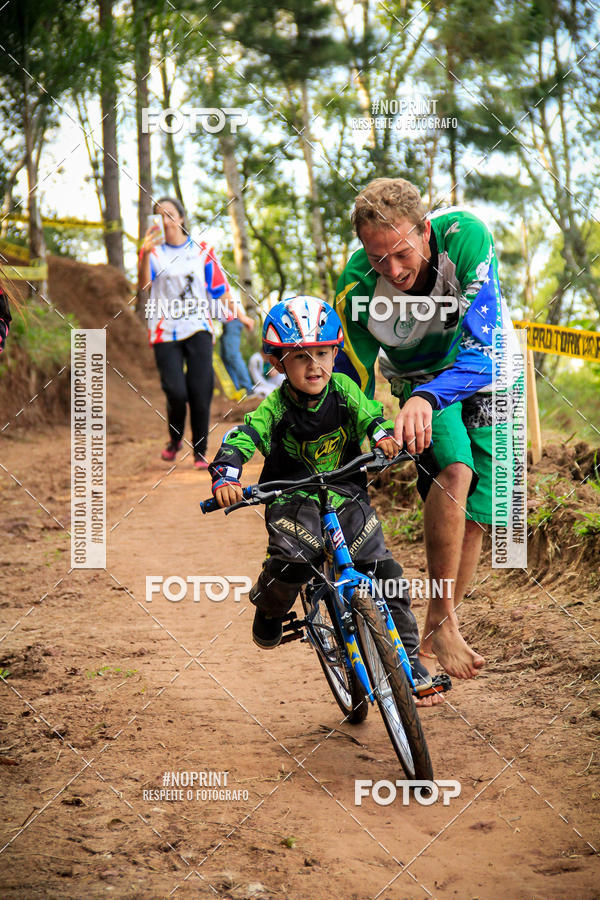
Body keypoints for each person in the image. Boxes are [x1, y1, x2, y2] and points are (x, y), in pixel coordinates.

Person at [335, 177, 519, 681]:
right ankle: (439, 629)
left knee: (481, 512)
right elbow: (350, 379)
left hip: (486, 365)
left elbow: (481, 351)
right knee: (455, 471)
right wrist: (358, 433)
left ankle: (439, 625)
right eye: (377, 258)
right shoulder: (356, 285)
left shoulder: (467, 238)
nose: (392, 271)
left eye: (400, 252)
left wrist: (426, 396)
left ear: (425, 229)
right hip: (417, 379)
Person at [208, 295, 433, 693]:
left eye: (323, 353)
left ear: (335, 353)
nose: (314, 365)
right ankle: (270, 606)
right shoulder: (274, 407)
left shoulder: (343, 388)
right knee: (294, 560)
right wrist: (227, 475)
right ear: (278, 362)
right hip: (291, 498)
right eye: (300, 357)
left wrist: (382, 438)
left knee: (386, 573)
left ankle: (409, 662)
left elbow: (371, 415)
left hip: (346, 493)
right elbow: (244, 435)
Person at [139, 196, 233, 469]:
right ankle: (175, 438)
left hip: (198, 327)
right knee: (176, 392)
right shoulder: (153, 253)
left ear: (181, 218)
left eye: (169, 214)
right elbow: (144, 286)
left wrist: (239, 315)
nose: (165, 221)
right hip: (164, 330)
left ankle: (200, 450)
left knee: (200, 391)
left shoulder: (202, 250)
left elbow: (219, 288)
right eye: (159, 216)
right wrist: (144, 253)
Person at [220, 296, 256, 396]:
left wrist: (243, 318)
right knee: (225, 357)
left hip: (233, 320)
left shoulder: (213, 284)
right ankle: (236, 389)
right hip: (228, 322)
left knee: (232, 355)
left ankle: (248, 388)